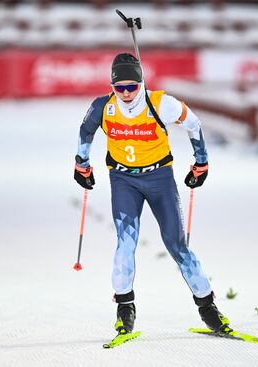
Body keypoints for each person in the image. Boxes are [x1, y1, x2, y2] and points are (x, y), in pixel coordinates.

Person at [73, 53, 229, 336]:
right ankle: (125, 310)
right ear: (112, 86)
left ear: (141, 83)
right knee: (125, 243)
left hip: (160, 179)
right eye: (119, 88)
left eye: (132, 86)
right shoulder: (103, 107)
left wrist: (201, 162)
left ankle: (208, 308)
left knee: (176, 245)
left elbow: (193, 123)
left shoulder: (161, 103)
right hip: (123, 180)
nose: (126, 93)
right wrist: (81, 165)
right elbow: (86, 130)